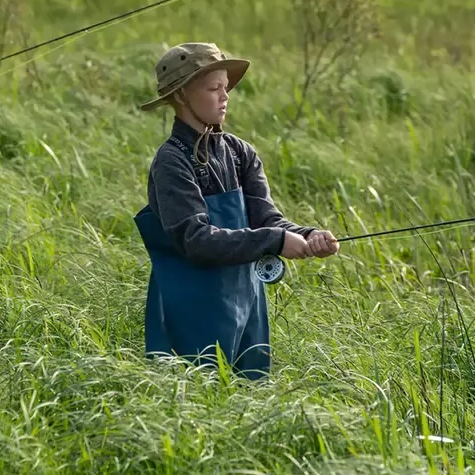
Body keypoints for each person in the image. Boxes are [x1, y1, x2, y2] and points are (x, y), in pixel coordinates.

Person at [134, 42, 339, 378]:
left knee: (249, 399)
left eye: (226, 88)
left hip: (246, 305)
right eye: (214, 88)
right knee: (195, 404)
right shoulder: (171, 162)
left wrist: (307, 235)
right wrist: (275, 240)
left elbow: (267, 219)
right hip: (191, 309)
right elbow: (196, 240)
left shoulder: (240, 153)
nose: (225, 97)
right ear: (182, 95)